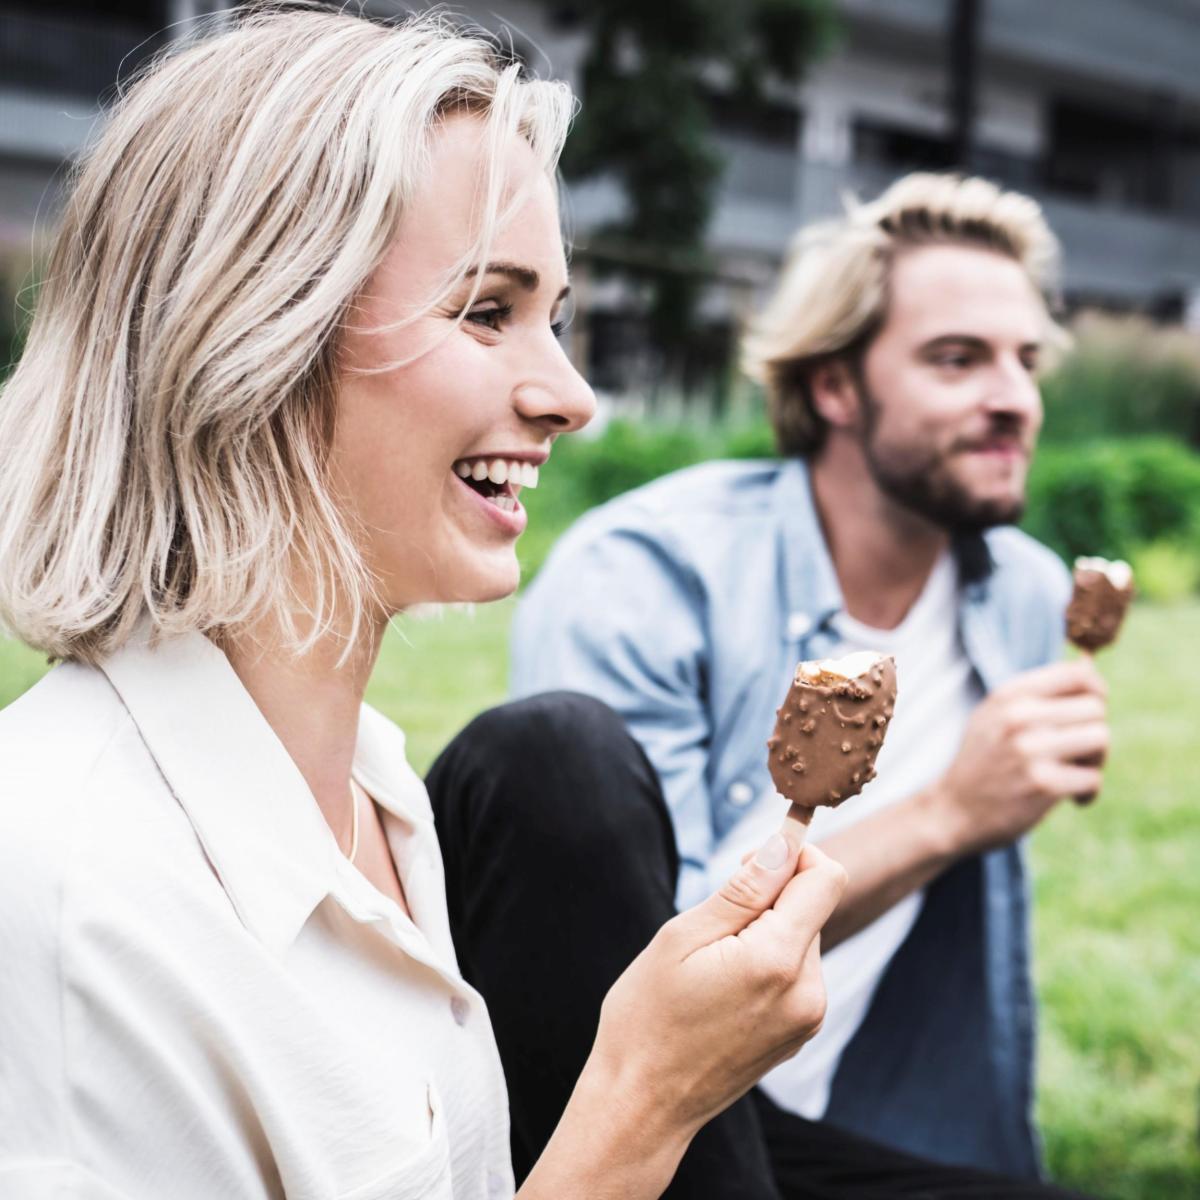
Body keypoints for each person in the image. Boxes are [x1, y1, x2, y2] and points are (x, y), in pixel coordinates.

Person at [0, 9, 851, 1198]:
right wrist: (642, 1102)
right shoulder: (64, 909)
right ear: (252, 335)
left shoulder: (380, 797)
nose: (571, 397)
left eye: (553, 317)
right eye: (487, 310)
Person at [429, 173, 1107, 1196]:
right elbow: (627, 959)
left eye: (1026, 360)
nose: (1016, 397)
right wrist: (951, 813)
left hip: (840, 1119)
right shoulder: (650, 570)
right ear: (835, 387)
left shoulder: (1026, 590)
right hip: (631, 1106)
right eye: (958, 359)